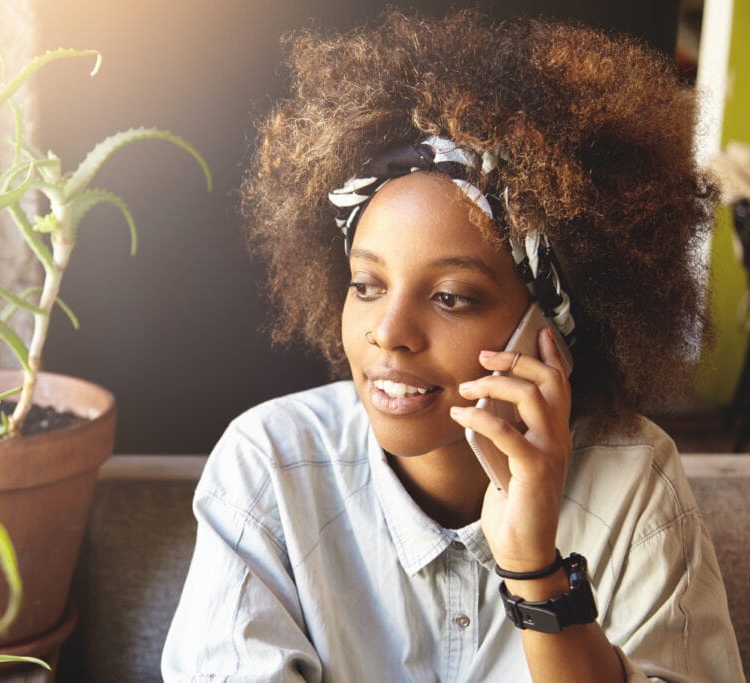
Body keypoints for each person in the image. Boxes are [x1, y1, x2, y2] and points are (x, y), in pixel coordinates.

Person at [162, 10, 744, 682]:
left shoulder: (633, 481)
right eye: (367, 285)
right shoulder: (269, 467)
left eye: (451, 297)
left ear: (550, 328)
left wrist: (535, 570)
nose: (389, 331)